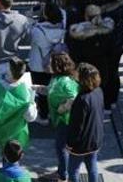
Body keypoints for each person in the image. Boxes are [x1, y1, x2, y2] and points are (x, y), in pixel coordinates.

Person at [0, 57, 37, 149]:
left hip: (0, 133)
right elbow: (31, 117)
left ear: (9, 71)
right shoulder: (26, 94)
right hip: (18, 136)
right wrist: (33, 103)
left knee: (4, 155)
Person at [66, 64, 105, 182]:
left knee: (73, 170)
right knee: (92, 167)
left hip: (81, 144)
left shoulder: (82, 99)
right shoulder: (98, 91)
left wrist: (70, 143)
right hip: (95, 138)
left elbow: (77, 126)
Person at [28, 3, 65, 120]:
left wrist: (30, 14)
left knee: (40, 90)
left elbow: (27, 28)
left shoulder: (37, 30)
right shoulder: (62, 28)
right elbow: (63, 13)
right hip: (54, 64)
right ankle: (52, 111)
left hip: (38, 64)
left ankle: (43, 115)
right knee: (52, 88)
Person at [47, 53, 79, 182]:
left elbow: (74, 97)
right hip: (60, 119)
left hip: (65, 120)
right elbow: (51, 90)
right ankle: (62, 170)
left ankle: (63, 175)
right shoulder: (58, 78)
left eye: (50, 63)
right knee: (61, 147)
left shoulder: (65, 82)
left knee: (61, 148)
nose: (48, 64)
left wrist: (64, 107)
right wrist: (37, 88)